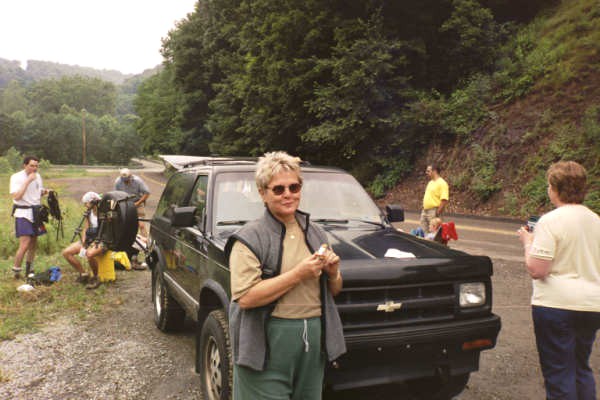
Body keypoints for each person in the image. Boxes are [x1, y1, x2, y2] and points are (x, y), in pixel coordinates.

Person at [227, 151, 346, 400]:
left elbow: (333, 291)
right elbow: (246, 298)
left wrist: (333, 274)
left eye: (294, 186)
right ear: (262, 193)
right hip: (267, 342)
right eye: (278, 189)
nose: (288, 194)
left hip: (312, 342)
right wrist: (299, 274)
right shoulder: (250, 238)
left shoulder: (315, 233)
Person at [517, 161, 600, 400]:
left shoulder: (550, 221)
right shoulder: (595, 220)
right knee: (580, 367)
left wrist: (528, 242)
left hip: (557, 306)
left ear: (555, 188)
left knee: (559, 372)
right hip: (592, 305)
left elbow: (537, 269)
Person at [9, 156, 49, 279]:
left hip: (36, 212)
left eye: (36, 166)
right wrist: (27, 181)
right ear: (25, 165)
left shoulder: (38, 176)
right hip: (23, 213)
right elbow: (16, 197)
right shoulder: (16, 177)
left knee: (33, 243)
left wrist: (45, 191)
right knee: (25, 244)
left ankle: (29, 269)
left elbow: (38, 191)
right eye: (32, 165)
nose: (34, 168)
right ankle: (16, 270)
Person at [62, 191, 101, 284]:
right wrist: (84, 241)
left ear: (93, 202)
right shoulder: (88, 213)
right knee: (66, 252)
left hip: (100, 239)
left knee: (89, 254)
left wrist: (93, 243)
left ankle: (96, 277)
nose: (85, 206)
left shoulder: (103, 213)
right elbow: (85, 228)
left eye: (86, 203)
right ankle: (83, 274)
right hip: (90, 238)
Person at [114, 168, 150, 270]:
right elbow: (115, 194)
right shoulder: (118, 182)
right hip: (124, 204)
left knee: (141, 225)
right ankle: (127, 246)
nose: (126, 182)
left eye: (127, 179)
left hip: (137, 203)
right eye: (124, 180)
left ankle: (146, 247)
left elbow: (147, 193)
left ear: (131, 176)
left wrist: (137, 203)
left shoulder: (138, 181)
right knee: (126, 226)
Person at [420, 164, 449, 233]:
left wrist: (437, 212)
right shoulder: (430, 182)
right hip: (425, 210)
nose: (426, 173)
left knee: (434, 232)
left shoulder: (442, 183)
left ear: (434, 171)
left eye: (428, 171)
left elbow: (444, 199)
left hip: (434, 211)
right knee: (424, 231)